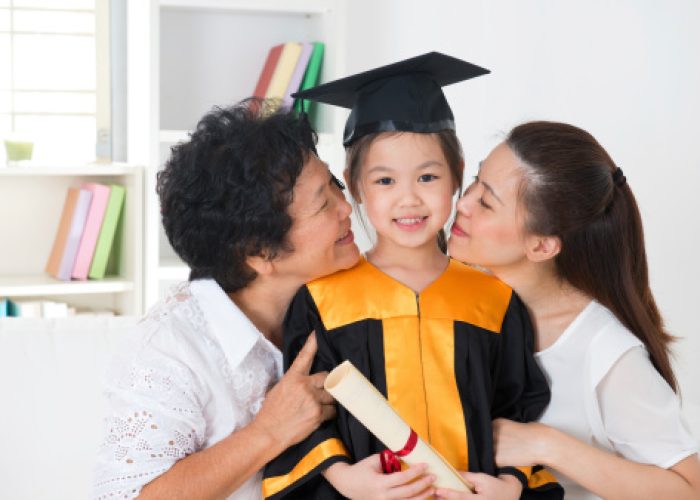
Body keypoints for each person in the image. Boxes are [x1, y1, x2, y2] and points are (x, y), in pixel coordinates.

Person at [262, 53, 561, 500]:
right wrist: (344, 478)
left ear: (457, 177)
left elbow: (518, 409)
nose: (408, 199)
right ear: (355, 184)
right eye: (384, 181)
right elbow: (305, 412)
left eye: (427, 177)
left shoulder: (493, 299)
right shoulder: (321, 300)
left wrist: (512, 484)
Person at [92, 100, 361, 499]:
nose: (346, 207)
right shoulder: (165, 352)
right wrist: (267, 433)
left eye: (335, 186)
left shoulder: (338, 295)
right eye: (323, 204)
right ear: (260, 253)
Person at [438, 121, 700, 499]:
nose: (461, 203)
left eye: (486, 202)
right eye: (476, 181)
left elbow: (689, 490)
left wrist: (547, 445)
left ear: (542, 246)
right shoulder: (461, 297)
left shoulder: (605, 353)